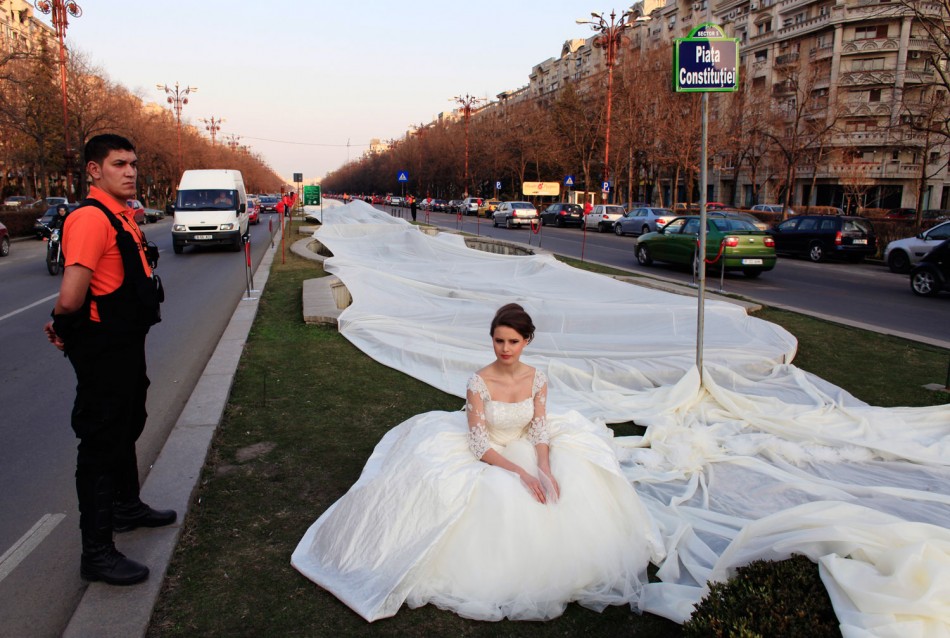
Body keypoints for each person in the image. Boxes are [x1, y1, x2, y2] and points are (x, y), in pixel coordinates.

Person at [292, 303, 660, 622]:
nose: (505, 348)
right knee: (500, 494)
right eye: (499, 340)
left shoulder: (538, 379)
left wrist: (543, 468)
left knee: (572, 483)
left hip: (523, 443)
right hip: (490, 450)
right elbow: (480, 444)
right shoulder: (478, 382)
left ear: (527, 341)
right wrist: (521, 473)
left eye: (513, 341)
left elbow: (539, 428)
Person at [43, 133, 173, 587]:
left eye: (134, 163)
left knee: (127, 421)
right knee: (100, 442)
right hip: (103, 350)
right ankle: (96, 552)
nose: (131, 171)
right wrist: (61, 324)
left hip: (124, 344)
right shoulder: (90, 219)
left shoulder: (124, 217)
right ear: (95, 170)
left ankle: (125, 506)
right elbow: (72, 294)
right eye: (119, 163)